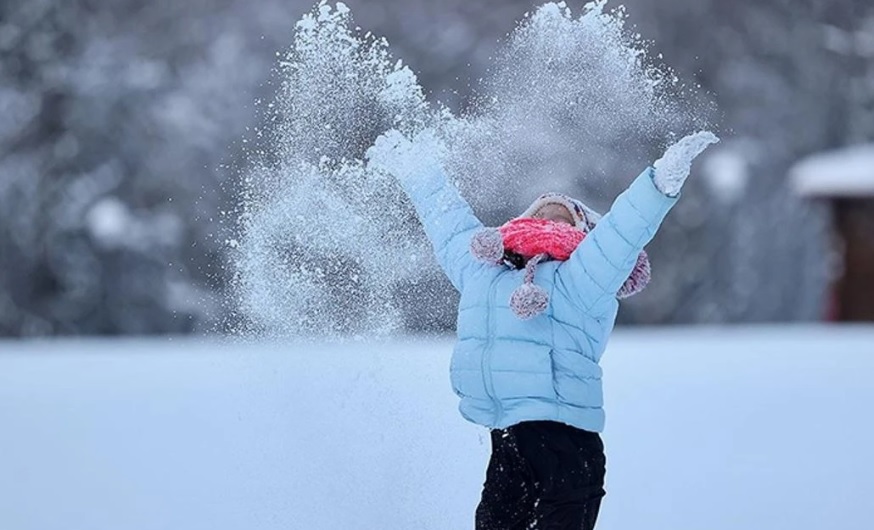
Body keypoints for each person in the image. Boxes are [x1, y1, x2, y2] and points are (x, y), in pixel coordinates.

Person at [366, 129, 718, 530]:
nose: (548, 216)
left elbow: (622, 233)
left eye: (563, 215)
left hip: (567, 445)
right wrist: (417, 171)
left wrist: (658, 183)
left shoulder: (582, 277)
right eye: (540, 212)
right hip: (508, 440)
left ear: (584, 234)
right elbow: (448, 223)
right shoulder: (484, 271)